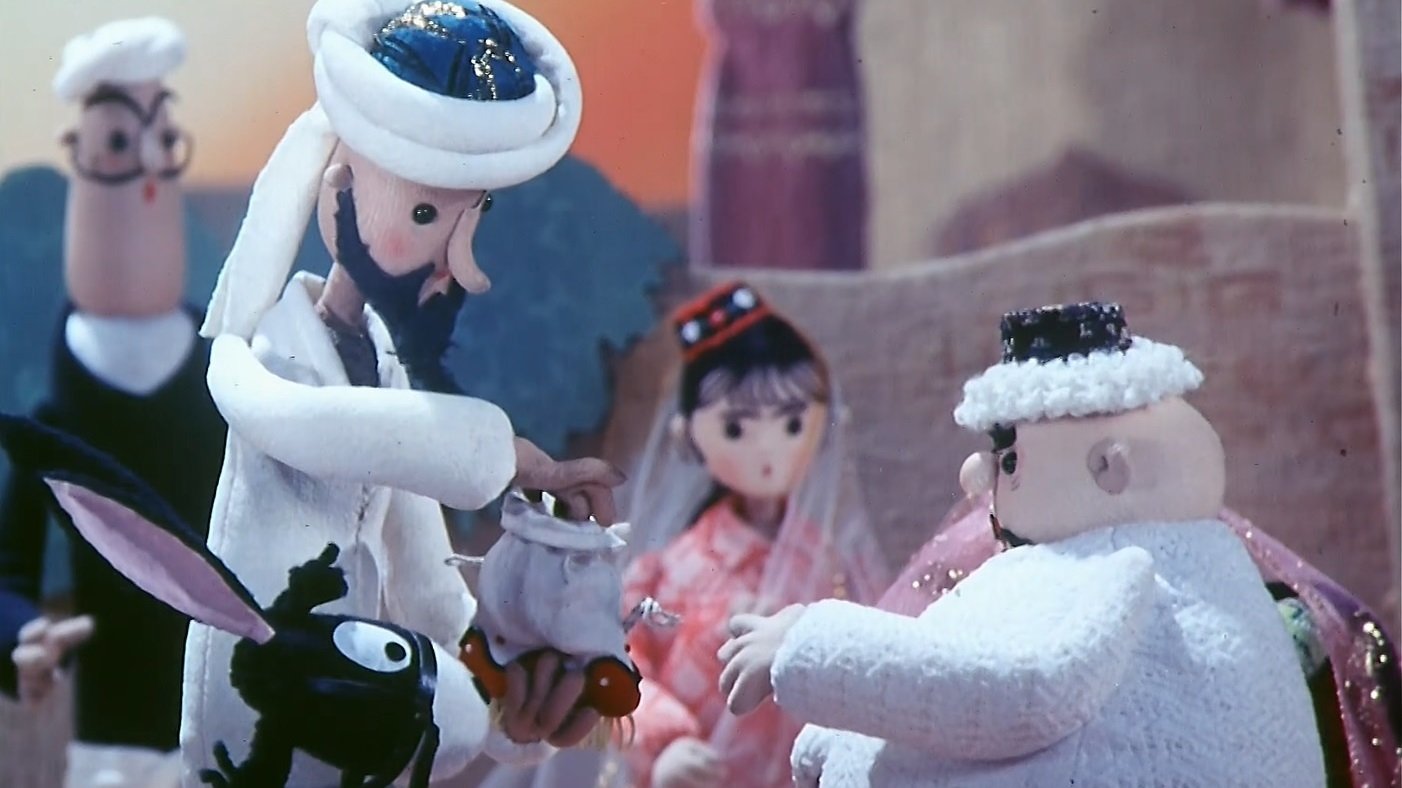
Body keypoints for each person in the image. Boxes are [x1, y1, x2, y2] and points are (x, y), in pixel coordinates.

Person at [186, 1, 621, 784]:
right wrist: (510, 457)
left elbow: (424, 579)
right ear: (339, 195)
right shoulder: (275, 359)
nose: (462, 266)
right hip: (258, 731)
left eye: (471, 215)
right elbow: (334, 431)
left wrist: (501, 697)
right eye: (424, 214)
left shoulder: (384, 367)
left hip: (354, 734)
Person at [719, 302, 1327, 786]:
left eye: (1008, 461)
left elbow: (1025, 692)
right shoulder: (1193, 563)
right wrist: (842, 732)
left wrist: (810, 645)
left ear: (1109, 469)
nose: (976, 480)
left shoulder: (1116, 570)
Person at [0, 17, 226, 788]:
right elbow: (8, 569)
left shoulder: (226, 386)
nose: (150, 170)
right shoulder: (54, 424)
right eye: (122, 144)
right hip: (112, 741)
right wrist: (19, 638)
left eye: (161, 139)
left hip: (233, 722)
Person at [615, 281, 889, 788]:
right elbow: (621, 666)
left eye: (792, 424)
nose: (767, 449)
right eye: (736, 428)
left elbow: (874, 661)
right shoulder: (667, 569)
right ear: (686, 433)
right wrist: (661, 744)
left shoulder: (833, 563)